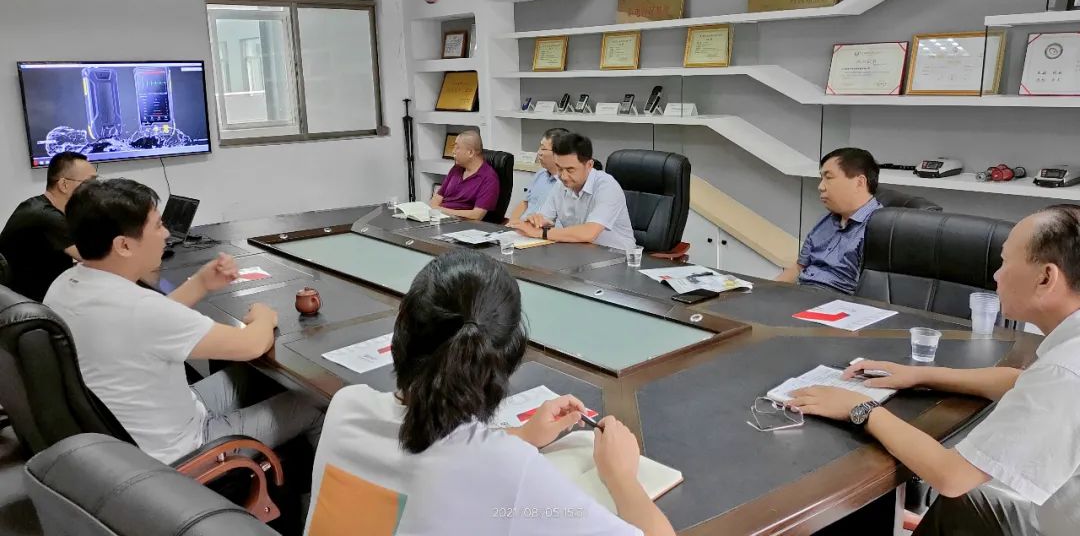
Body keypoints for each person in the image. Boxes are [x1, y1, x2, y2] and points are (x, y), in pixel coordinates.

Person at [304, 250, 675, 536]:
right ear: (505, 362)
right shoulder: (508, 471)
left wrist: (521, 435)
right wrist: (621, 477)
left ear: (401, 331)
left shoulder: (346, 408)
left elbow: (431, 441)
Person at [787, 204, 1080, 536]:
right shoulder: (1067, 353)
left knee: (955, 493)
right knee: (959, 506)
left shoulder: (1065, 371)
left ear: (1045, 278)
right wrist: (921, 375)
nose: (997, 276)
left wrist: (861, 409)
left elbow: (952, 476)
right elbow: (1020, 382)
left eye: (1005, 262)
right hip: (1054, 518)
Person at [45, 178, 323, 464]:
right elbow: (251, 345)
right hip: (186, 451)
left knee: (258, 379)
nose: (166, 233)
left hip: (143, 429)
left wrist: (201, 282)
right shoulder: (139, 309)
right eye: (157, 226)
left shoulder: (66, 284)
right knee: (316, 405)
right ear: (124, 245)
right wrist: (263, 316)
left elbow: (151, 325)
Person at [776, 147, 882, 294]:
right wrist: (762, 291)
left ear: (859, 182)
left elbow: (871, 293)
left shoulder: (880, 229)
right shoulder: (826, 221)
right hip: (801, 295)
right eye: (822, 178)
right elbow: (799, 267)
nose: (820, 187)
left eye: (829, 177)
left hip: (836, 302)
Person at [507, 133, 636, 251]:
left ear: (589, 165)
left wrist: (540, 233)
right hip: (580, 252)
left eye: (570, 170)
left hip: (618, 257)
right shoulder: (560, 185)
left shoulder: (607, 186)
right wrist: (536, 222)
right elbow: (544, 219)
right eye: (559, 168)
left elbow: (589, 233)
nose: (563, 176)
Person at [0, 152, 96, 301]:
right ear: (64, 185)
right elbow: (94, 258)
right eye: (90, 183)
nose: (96, 189)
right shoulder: (46, 216)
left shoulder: (37, 204)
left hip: (38, 290)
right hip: (30, 301)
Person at [429, 129, 499, 221]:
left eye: (457, 148)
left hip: (462, 223)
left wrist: (441, 210)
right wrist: (435, 210)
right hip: (440, 218)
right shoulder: (456, 169)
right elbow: (437, 197)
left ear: (470, 153)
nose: (453, 151)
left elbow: (477, 215)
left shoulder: (489, 178)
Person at [508, 128, 568, 223]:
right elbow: (525, 202)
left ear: (559, 153)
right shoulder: (541, 174)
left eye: (543, 149)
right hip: (522, 226)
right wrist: (512, 222)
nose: (539, 153)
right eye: (540, 147)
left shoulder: (567, 183)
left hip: (541, 228)